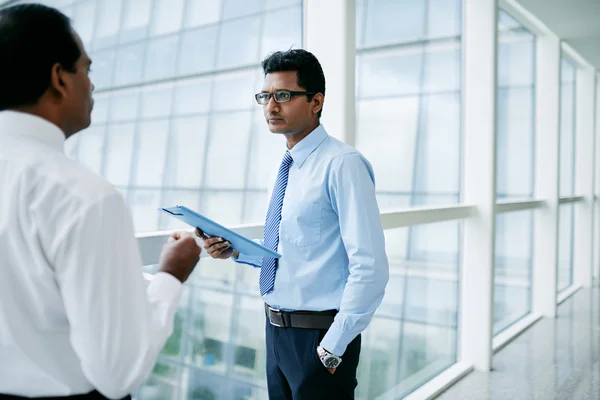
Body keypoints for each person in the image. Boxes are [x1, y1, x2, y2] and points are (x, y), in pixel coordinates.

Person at [0, 4, 201, 400]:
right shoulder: (82, 197)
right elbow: (117, 372)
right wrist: (169, 278)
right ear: (60, 78)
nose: (93, 86)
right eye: (87, 70)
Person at [198, 49, 389, 399]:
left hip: (320, 338)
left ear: (316, 101)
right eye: (266, 96)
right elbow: (297, 251)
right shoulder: (288, 166)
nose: (271, 106)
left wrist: (333, 345)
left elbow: (371, 266)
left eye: (283, 96)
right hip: (276, 333)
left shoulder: (342, 164)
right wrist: (235, 250)